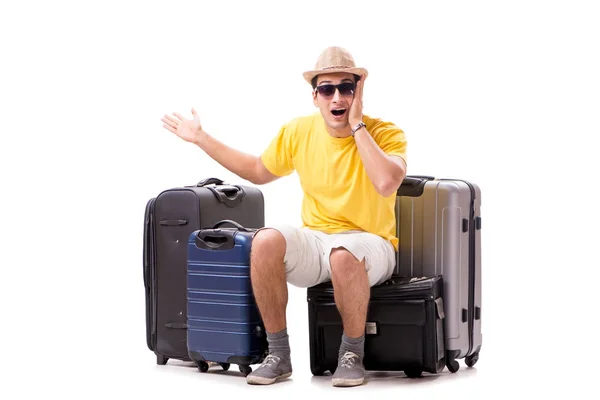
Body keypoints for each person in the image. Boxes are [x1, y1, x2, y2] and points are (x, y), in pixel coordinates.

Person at [161, 46, 407, 387]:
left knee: (344, 254)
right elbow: (257, 170)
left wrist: (357, 126)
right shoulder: (299, 132)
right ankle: (278, 353)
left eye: (346, 88)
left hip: (373, 244)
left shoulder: (385, 133)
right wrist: (202, 139)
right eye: (327, 89)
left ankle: (352, 353)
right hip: (318, 239)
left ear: (358, 93)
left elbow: (385, 182)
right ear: (315, 97)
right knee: (264, 239)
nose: (337, 97)